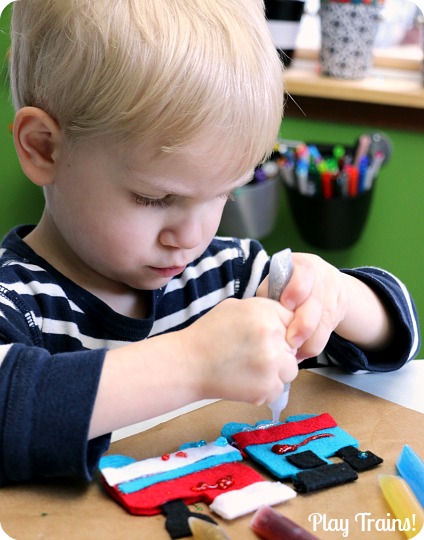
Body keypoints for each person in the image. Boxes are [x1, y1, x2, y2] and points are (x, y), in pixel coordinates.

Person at [0, 0, 419, 485]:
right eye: (155, 197)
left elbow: (395, 336)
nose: (193, 236)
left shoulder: (227, 276)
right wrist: (192, 364)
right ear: (44, 148)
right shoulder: (16, 299)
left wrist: (337, 299)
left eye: (224, 192)